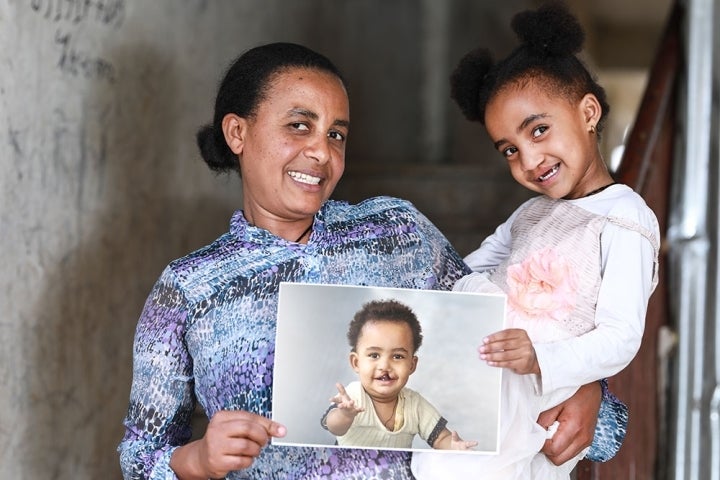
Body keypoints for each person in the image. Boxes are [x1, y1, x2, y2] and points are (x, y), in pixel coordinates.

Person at [117, 41, 627, 480]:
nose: (321, 152)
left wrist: (588, 390)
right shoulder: (189, 289)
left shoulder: (396, 233)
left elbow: (508, 333)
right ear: (237, 133)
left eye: (336, 134)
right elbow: (141, 458)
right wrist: (197, 459)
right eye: (299, 126)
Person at [411, 3, 660, 480]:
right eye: (510, 150)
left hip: (543, 382)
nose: (529, 160)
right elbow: (470, 273)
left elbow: (620, 337)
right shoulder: (531, 213)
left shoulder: (625, 216)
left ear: (588, 112)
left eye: (539, 130)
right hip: (495, 376)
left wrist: (539, 358)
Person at [322, 299, 477, 450]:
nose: (384, 366)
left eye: (397, 356)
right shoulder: (353, 396)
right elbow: (334, 427)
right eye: (374, 355)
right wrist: (345, 415)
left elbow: (441, 438)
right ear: (356, 362)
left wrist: (453, 446)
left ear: (412, 365)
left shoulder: (415, 405)